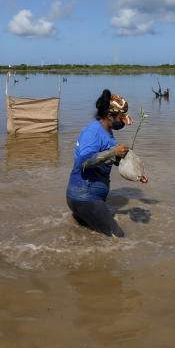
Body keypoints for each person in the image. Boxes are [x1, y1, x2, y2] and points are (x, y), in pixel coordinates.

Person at [66, 89, 148, 237]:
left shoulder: (107, 132)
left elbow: (113, 159)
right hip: (85, 198)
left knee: (87, 236)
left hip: (86, 199)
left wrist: (137, 172)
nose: (123, 122)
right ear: (109, 116)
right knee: (117, 237)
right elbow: (84, 161)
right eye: (120, 118)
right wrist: (113, 152)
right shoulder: (93, 132)